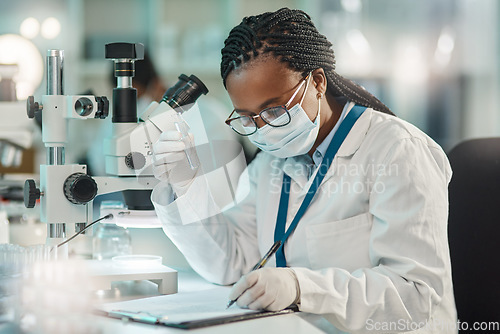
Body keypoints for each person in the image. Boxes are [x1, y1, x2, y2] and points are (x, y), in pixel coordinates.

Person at [151, 8, 456, 334]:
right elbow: (234, 263)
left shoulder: (398, 151)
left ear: (318, 82)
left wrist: (302, 287)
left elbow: (414, 294)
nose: (263, 130)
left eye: (274, 110)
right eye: (246, 118)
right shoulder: (273, 160)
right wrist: (183, 187)